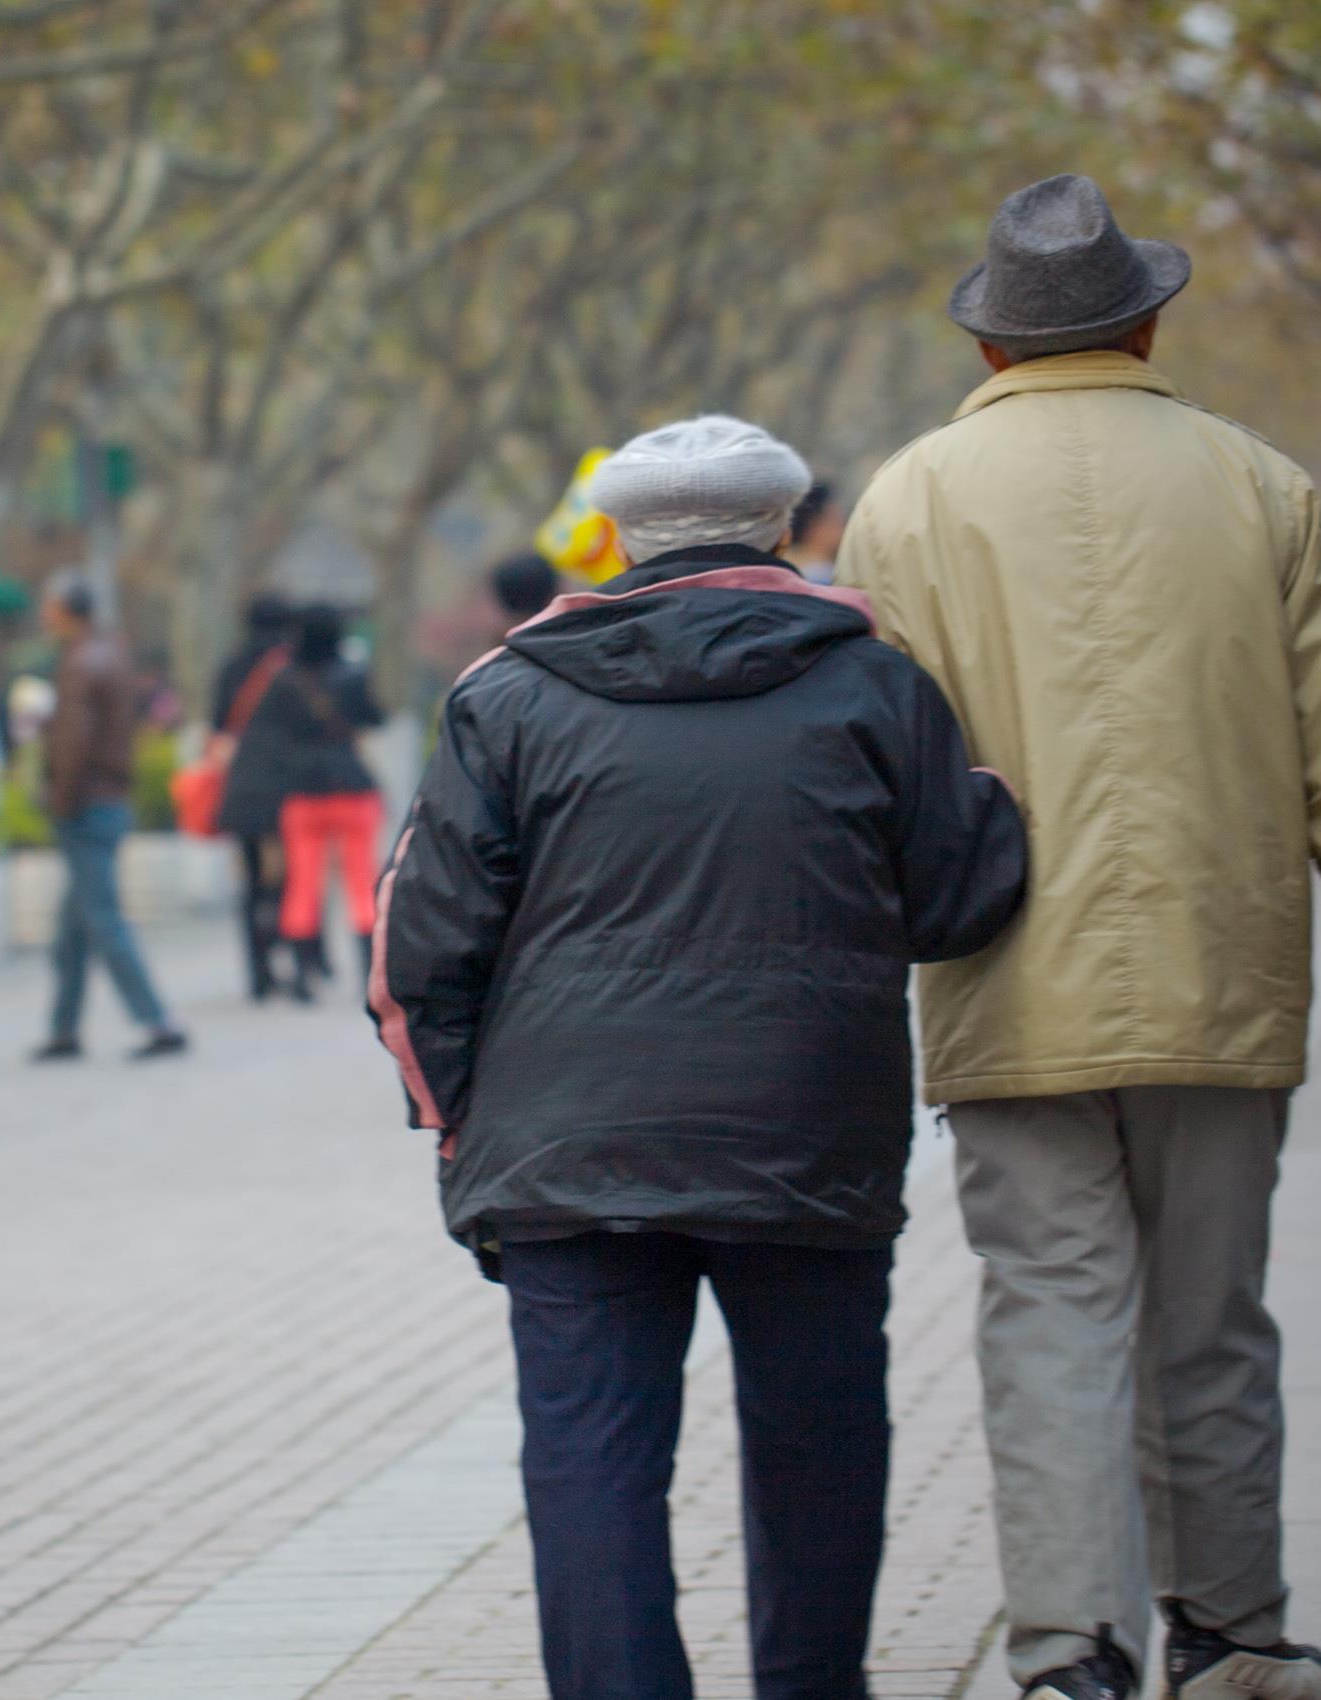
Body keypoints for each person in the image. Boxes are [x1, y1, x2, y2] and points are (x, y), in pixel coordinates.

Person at [371, 414, 1028, 1700]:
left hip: (563, 1148)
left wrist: (464, 1126)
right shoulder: (877, 686)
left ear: (614, 535)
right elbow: (954, 902)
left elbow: (417, 949)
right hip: (806, 1132)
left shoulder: (504, 696)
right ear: (784, 529)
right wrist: (993, 802)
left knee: (589, 1464)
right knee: (818, 1446)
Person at [835, 174, 1321, 1700]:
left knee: (1046, 1306)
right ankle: (1230, 1631)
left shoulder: (904, 498)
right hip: (1220, 962)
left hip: (1000, 970)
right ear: (1146, 317)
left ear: (990, 347)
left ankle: (1063, 1648)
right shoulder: (1261, 485)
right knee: (1212, 1315)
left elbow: (873, 762)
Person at [33, 578, 187, 1062]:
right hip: (109, 798)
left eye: (49, 606)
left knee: (102, 919)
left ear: (64, 611)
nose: (44, 615)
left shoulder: (81, 663)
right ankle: (63, 1028)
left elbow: (73, 743)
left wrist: (59, 796)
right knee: (73, 927)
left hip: (87, 803)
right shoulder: (112, 654)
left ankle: (156, 1020)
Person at [238, 605, 384, 996]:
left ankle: (303, 976)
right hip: (352, 787)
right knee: (361, 879)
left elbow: (271, 735)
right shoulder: (352, 675)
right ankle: (369, 971)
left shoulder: (283, 680)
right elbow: (375, 717)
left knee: (303, 881)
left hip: (302, 792)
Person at [210, 594, 295, 1001]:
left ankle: (257, 971)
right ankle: (280, 944)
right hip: (287, 783)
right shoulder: (291, 667)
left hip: (241, 782)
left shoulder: (232, 665)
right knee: (286, 875)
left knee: (249, 879)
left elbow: (218, 720)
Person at [785, 482, 846, 584]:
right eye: (837, 521)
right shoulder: (826, 578)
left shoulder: (780, 570)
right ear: (815, 525)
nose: (843, 530)